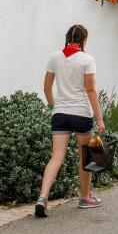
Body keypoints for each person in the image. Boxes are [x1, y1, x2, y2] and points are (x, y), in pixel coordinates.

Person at [35, 24, 105, 217]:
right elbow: (90, 90)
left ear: (68, 38)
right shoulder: (87, 60)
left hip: (60, 113)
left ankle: (42, 198)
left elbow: (46, 87)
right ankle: (85, 197)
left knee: (56, 157)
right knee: (85, 157)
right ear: (83, 40)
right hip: (81, 113)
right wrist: (99, 119)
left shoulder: (55, 57)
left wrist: (52, 107)